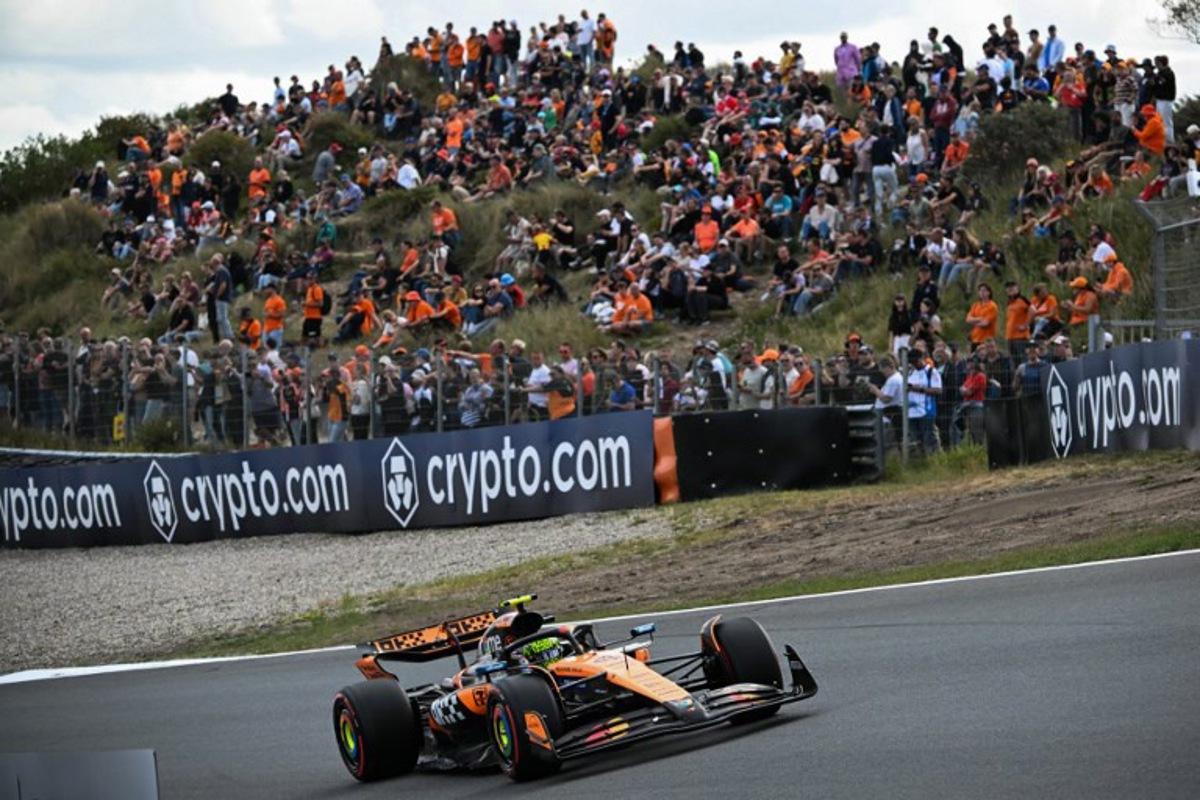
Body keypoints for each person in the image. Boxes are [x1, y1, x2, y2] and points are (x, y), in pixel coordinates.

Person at [965, 283, 999, 350]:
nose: (982, 292)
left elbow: (985, 324)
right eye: (980, 291)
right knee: (974, 356)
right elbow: (968, 319)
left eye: (984, 290)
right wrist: (979, 319)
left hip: (986, 341)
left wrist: (973, 321)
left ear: (989, 292)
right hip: (975, 339)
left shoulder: (992, 306)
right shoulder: (976, 305)